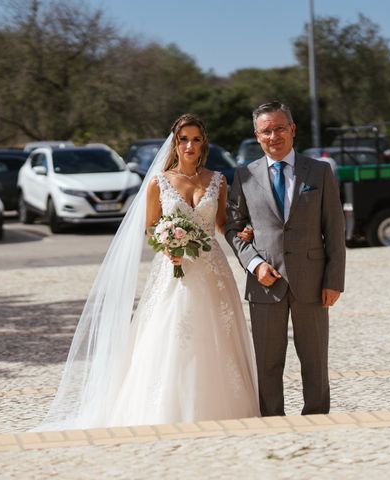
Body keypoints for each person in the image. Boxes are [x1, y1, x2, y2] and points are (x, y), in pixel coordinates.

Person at [37, 114, 259, 430]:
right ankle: (164, 407)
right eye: (184, 139)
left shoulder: (217, 181)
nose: (190, 146)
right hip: (174, 270)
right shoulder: (159, 182)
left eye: (196, 139)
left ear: (204, 143)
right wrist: (168, 245)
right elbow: (151, 228)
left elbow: (222, 225)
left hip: (212, 270)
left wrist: (244, 232)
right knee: (171, 331)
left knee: (216, 333)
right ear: (175, 142)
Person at [226, 101, 346, 417]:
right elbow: (234, 230)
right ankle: (272, 423)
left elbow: (334, 231)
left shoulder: (320, 172)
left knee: (315, 360)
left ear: (292, 129)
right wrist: (254, 264)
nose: (273, 136)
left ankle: (317, 418)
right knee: (267, 362)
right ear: (257, 135)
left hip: (313, 282)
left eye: (280, 128)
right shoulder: (244, 175)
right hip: (265, 284)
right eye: (266, 130)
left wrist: (334, 281)